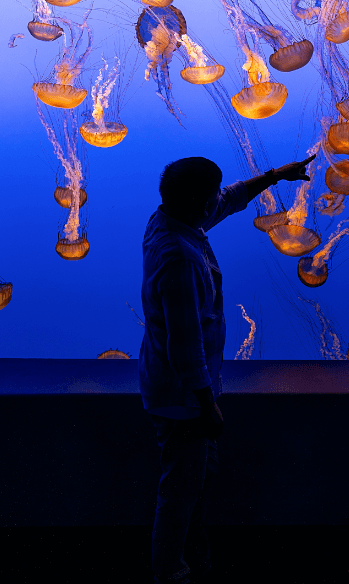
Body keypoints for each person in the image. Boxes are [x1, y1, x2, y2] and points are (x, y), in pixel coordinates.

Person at [140, 154, 314, 584]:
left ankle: (195, 557)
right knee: (178, 492)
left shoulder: (168, 219)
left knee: (195, 479)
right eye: (212, 194)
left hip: (175, 388)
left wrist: (276, 175)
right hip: (185, 400)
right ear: (199, 202)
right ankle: (168, 573)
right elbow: (185, 345)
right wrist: (207, 406)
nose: (219, 198)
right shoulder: (180, 258)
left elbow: (231, 199)